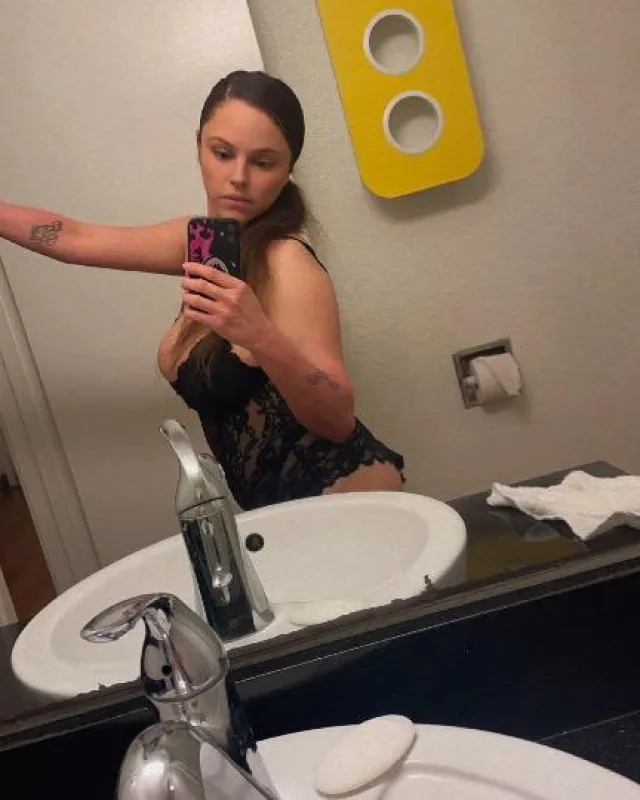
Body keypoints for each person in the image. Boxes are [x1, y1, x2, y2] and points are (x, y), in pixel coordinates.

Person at [0, 70, 404, 510]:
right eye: (223, 153)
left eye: (263, 162)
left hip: (349, 501)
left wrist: (259, 335)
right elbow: (76, 239)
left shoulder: (286, 262)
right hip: (284, 514)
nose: (239, 177)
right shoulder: (203, 242)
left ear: (288, 169)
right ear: (199, 146)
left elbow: (338, 420)